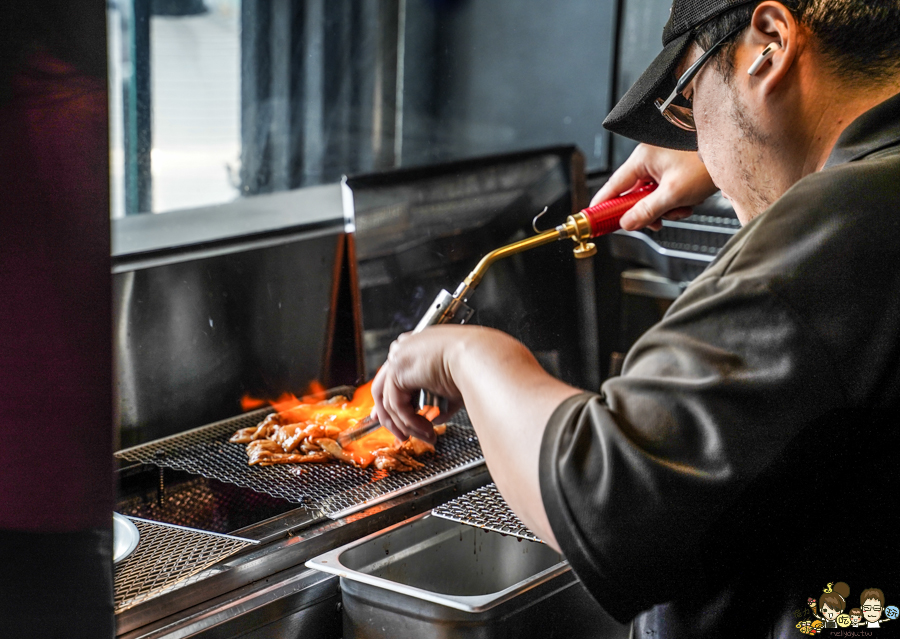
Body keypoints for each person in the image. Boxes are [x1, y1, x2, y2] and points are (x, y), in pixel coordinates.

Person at [371, 0, 900, 636]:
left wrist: (468, 356)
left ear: (769, 44)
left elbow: (606, 497)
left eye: (687, 102)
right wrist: (757, 142)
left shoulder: (843, 222)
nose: (693, 137)